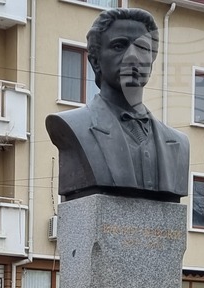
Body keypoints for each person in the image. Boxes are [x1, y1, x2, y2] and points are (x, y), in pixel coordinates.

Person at [45, 8, 190, 202]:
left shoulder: (178, 143)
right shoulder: (71, 126)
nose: (133, 57)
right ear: (95, 61)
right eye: (119, 46)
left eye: (142, 48)